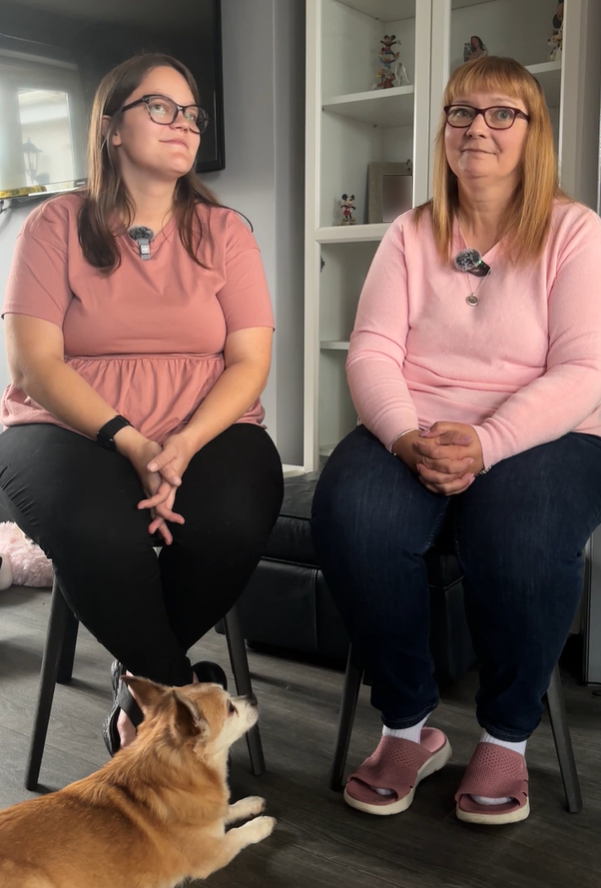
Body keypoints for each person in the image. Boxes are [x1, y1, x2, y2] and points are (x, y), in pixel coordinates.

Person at [311, 55, 601, 825]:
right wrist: (406, 436)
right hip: (416, 421)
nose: (476, 127)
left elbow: (585, 369)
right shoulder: (410, 232)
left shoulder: (574, 231)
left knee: (521, 538)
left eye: (500, 113)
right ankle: (408, 724)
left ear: (533, 134)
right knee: (351, 518)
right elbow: (370, 349)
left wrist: (488, 440)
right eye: (460, 113)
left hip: (544, 428)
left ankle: (506, 735)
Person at [0, 53, 283, 754]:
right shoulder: (53, 225)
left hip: (205, 424)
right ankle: (180, 693)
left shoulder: (227, 233)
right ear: (112, 128)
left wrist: (182, 444)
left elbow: (249, 363)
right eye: (160, 107)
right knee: (100, 533)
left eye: (191, 113)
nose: (182, 124)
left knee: (230, 519)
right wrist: (132, 441)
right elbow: (34, 364)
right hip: (70, 426)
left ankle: (146, 700)